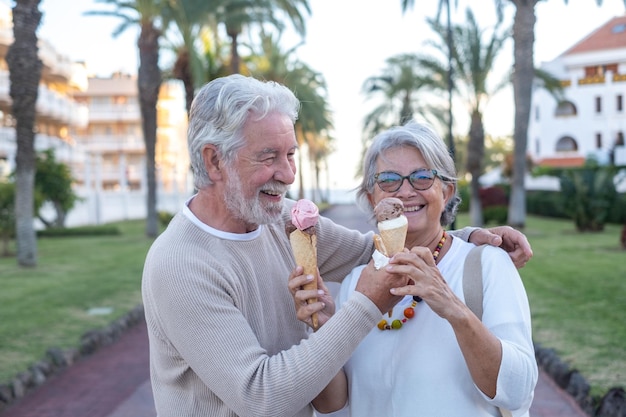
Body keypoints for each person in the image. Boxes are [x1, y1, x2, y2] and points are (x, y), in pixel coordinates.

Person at [141, 74, 534, 417]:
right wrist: (365, 305)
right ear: (214, 162)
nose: (288, 174)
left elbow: (374, 251)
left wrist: (462, 242)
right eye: (269, 157)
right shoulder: (181, 264)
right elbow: (261, 398)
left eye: (291, 154)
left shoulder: (284, 219)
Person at [290, 121, 537, 416]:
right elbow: (334, 405)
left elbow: (519, 391)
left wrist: (451, 306)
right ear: (372, 198)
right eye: (389, 179)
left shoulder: (486, 264)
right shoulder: (357, 280)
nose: (406, 191)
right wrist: (324, 331)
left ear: (446, 192)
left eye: (422, 177)